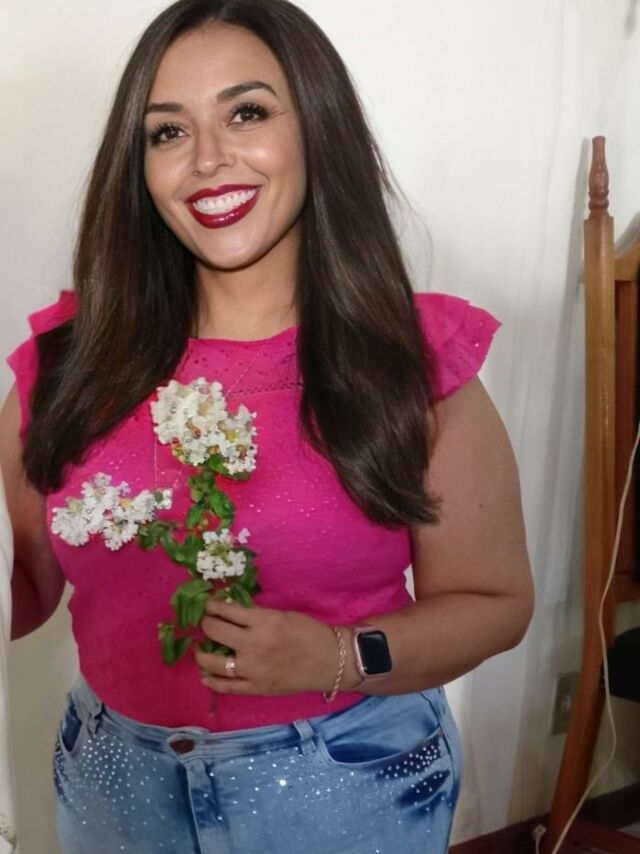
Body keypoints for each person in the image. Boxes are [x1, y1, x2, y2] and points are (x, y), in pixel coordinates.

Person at [0, 0, 534, 851]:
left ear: (317, 129)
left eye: (246, 113)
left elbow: (495, 604)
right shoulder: (65, 365)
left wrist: (336, 656)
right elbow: (24, 587)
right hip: (114, 787)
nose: (208, 159)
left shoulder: (410, 362)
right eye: (168, 132)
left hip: (347, 784)